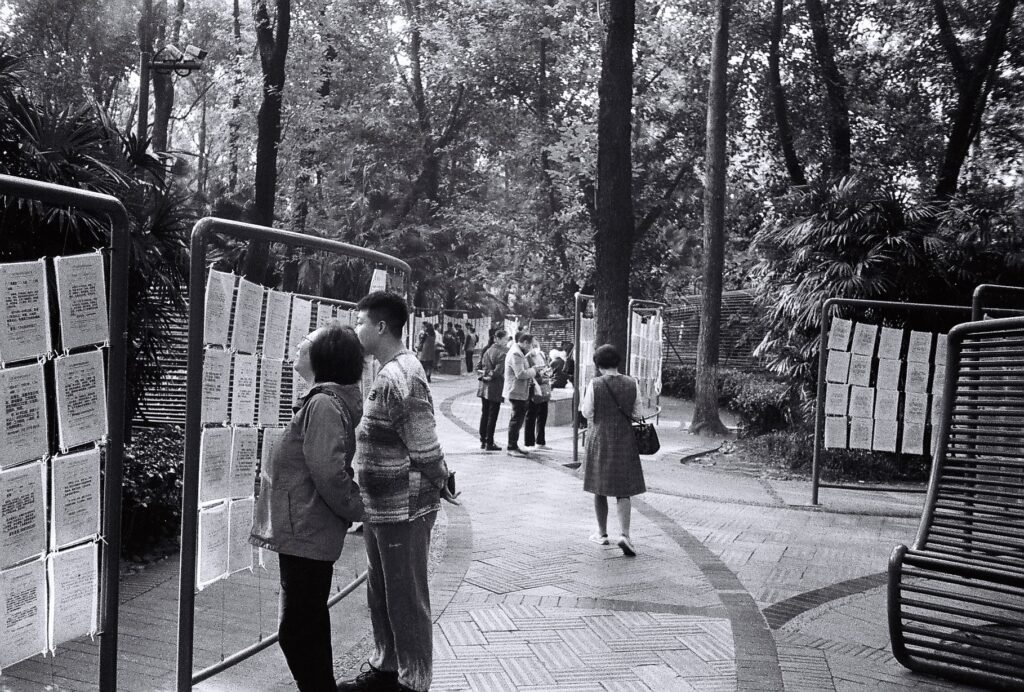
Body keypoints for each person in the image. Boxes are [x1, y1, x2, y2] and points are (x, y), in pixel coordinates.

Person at [338, 292, 459, 692]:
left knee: (406, 597)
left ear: (380, 327)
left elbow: (424, 445)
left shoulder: (401, 375)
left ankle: (413, 681)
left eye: (360, 322)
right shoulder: (388, 371)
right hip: (381, 509)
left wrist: (441, 480)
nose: (355, 330)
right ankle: (387, 666)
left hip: (404, 510)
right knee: (383, 593)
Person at [250, 324, 365, 692]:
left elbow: (329, 473)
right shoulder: (325, 401)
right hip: (304, 529)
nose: (300, 344)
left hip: (307, 530)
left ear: (324, 356)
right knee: (308, 622)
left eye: (309, 341)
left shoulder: (322, 405)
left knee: (297, 630)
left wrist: (354, 507)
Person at [579, 343, 646, 557]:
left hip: (600, 439)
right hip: (625, 439)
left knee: (599, 487)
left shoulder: (595, 384)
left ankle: (602, 533)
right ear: (618, 362)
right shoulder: (632, 383)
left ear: (598, 364)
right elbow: (637, 414)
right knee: (623, 490)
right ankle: (625, 535)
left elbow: (587, 412)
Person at [503, 332, 540, 455]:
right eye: (531, 345)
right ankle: (511, 447)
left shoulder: (520, 352)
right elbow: (520, 374)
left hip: (520, 391)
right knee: (516, 419)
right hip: (516, 391)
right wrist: (534, 370)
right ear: (525, 342)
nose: (531, 348)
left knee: (518, 419)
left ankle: (514, 445)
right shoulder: (516, 353)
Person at [476, 329, 507, 451]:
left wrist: (483, 375)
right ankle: (490, 442)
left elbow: (478, 367)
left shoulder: (487, 350)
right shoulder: (503, 353)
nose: (506, 341)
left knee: (485, 413)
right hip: (495, 387)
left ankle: (483, 439)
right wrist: (489, 374)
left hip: (484, 387)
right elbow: (498, 372)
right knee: (492, 415)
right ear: (497, 339)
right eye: (505, 338)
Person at [524, 338, 551, 449]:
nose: (535, 347)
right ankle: (529, 442)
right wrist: (540, 377)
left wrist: (547, 373)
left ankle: (540, 441)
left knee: (543, 415)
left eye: (536, 345)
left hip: (544, 388)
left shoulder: (542, 355)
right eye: (532, 345)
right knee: (531, 415)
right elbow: (529, 372)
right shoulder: (527, 358)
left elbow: (547, 367)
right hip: (534, 388)